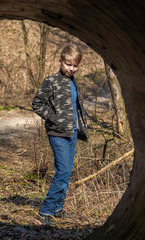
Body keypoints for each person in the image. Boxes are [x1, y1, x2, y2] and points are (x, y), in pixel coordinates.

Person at [31, 43, 88, 226]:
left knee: (67, 172)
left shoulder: (73, 83)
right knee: (62, 171)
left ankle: (58, 208)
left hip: (71, 133)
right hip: (57, 133)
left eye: (75, 65)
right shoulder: (51, 81)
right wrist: (54, 119)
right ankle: (46, 211)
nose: (71, 69)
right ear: (60, 61)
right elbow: (37, 103)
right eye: (68, 64)